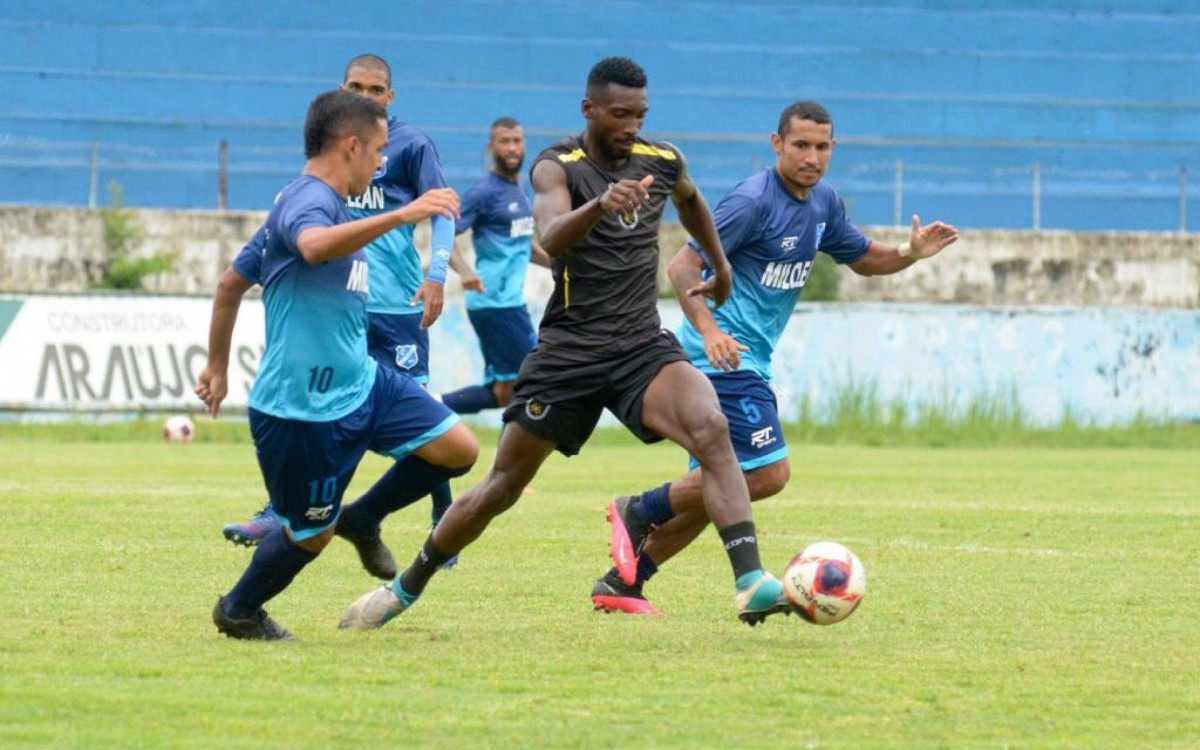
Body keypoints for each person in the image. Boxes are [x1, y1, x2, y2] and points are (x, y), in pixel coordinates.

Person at [339, 56, 791, 631]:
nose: (631, 126)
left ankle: (750, 580)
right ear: (590, 110)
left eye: (640, 115)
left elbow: (692, 199)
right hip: (569, 351)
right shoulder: (558, 166)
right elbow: (551, 238)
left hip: (638, 347)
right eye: (620, 115)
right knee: (501, 487)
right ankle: (404, 590)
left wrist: (721, 268)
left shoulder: (662, 160)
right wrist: (601, 204)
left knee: (712, 428)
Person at [589, 100, 960, 615]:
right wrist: (712, 331)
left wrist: (909, 253)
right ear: (777, 144)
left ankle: (622, 584)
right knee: (767, 475)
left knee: (716, 490)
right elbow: (680, 267)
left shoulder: (823, 204)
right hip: (720, 360)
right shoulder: (752, 203)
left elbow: (864, 259)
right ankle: (639, 508)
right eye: (801, 145)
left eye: (822, 147)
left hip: (748, 359)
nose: (811, 156)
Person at [196, 89, 477, 640]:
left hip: (364, 383)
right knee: (309, 536)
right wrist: (406, 212)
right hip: (305, 408)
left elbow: (231, 283)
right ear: (350, 146)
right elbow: (313, 246)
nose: (380, 164)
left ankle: (364, 515)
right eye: (375, 152)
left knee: (458, 451)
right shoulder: (308, 203)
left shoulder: (322, 204)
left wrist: (217, 365)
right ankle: (239, 610)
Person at [440, 116, 552, 414]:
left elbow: (525, 246)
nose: (512, 148)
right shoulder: (484, 192)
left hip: (506, 303)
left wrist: (560, 266)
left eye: (517, 141)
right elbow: (444, 234)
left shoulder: (520, 191)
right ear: (492, 147)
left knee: (505, 392)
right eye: (505, 141)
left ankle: (433, 408)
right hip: (495, 302)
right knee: (535, 380)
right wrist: (464, 271)